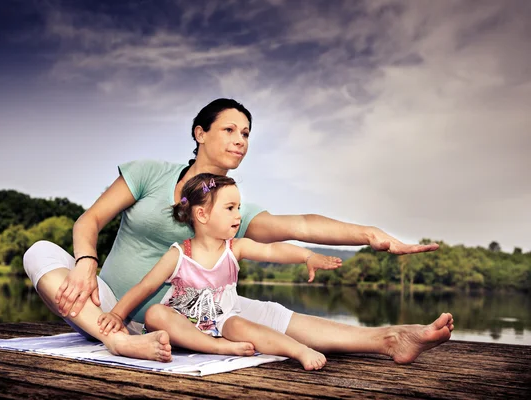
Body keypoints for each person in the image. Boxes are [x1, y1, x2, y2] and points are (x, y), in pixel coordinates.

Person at [23, 98, 454, 364]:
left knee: (269, 315)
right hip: (109, 306)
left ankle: (390, 338)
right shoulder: (149, 174)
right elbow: (89, 221)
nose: (240, 139)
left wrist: (369, 233)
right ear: (199, 133)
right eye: (229, 129)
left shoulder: (231, 207)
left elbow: (301, 225)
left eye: (246, 133)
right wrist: (84, 264)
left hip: (195, 317)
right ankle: (118, 341)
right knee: (40, 253)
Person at [97, 173, 343, 370]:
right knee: (155, 313)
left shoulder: (235, 248)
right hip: (181, 325)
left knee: (244, 327)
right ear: (202, 214)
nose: (238, 215)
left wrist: (307, 256)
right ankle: (217, 348)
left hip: (223, 321)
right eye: (230, 208)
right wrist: (118, 315)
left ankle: (297, 350)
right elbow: (146, 286)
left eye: (239, 207)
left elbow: (272, 251)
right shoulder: (179, 254)